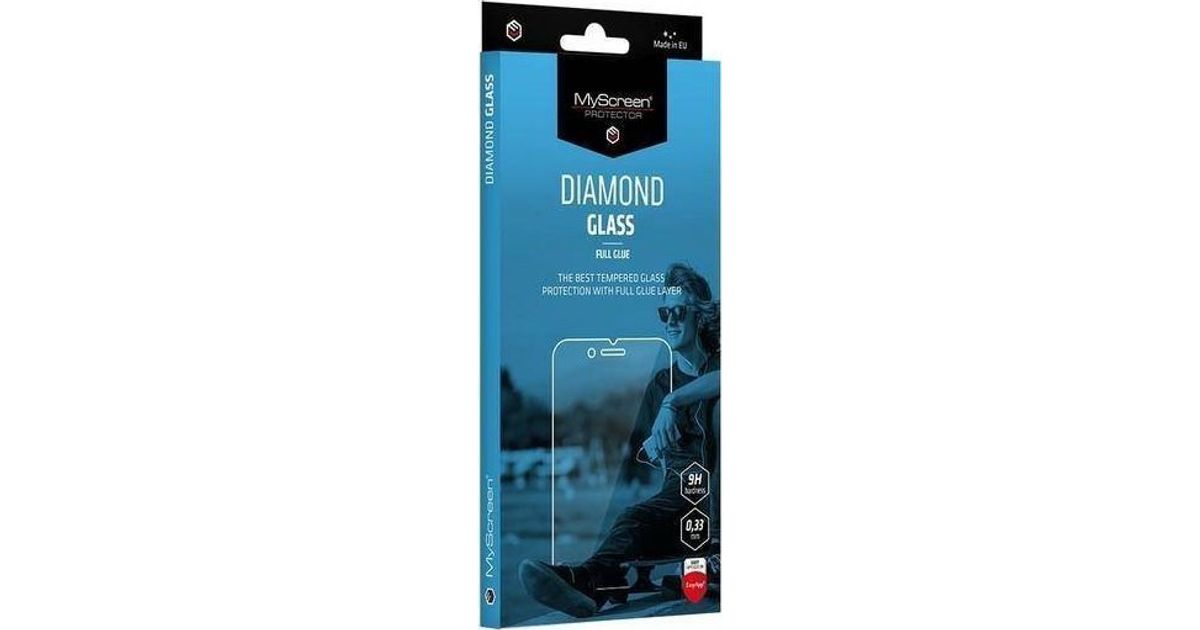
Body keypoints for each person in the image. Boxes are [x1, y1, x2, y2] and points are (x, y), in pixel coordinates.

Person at [520, 263, 721, 617]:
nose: (671, 321)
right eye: (664, 313)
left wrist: (674, 402)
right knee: (634, 517)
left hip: (722, 504)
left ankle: (718, 551)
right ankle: (587, 582)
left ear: (700, 315)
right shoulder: (660, 384)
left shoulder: (717, 366)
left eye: (679, 311)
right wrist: (656, 448)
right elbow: (660, 460)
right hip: (684, 505)